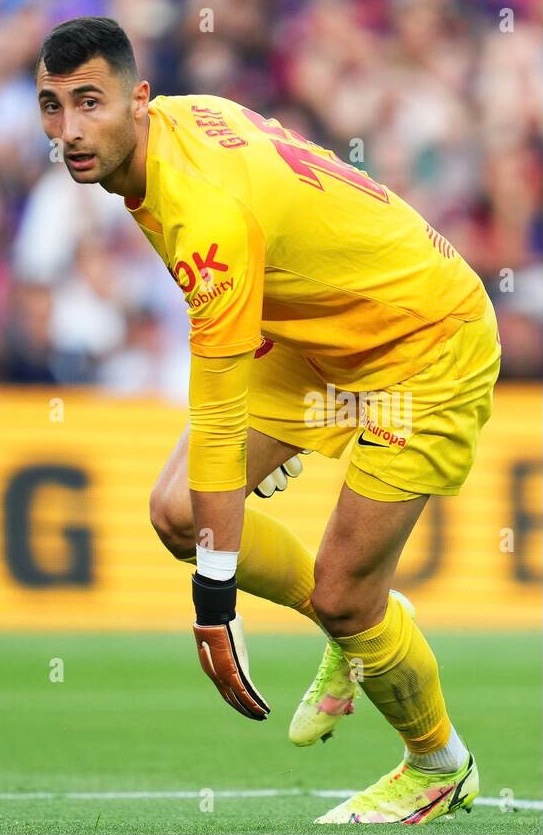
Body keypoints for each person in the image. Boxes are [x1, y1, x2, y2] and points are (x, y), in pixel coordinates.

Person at [35, 16, 501, 825]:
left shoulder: (200, 209)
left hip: (424, 341)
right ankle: (359, 626)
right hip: (320, 326)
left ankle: (437, 762)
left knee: (344, 593)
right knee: (180, 512)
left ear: (138, 100)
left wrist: (213, 602)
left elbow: (217, 418)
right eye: (52, 106)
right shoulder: (175, 125)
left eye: (89, 103)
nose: (69, 131)